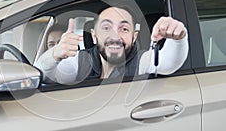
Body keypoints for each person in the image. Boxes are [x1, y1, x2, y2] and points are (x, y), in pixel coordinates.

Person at [35, 5, 188, 84]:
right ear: (94, 36)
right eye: (106, 28)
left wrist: (179, 38)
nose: (115, 36)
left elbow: (169, 62)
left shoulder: (141, 61)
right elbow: (45, 76)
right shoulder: (80, 62)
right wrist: (55, 53)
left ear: (134, 37)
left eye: (124, 29)